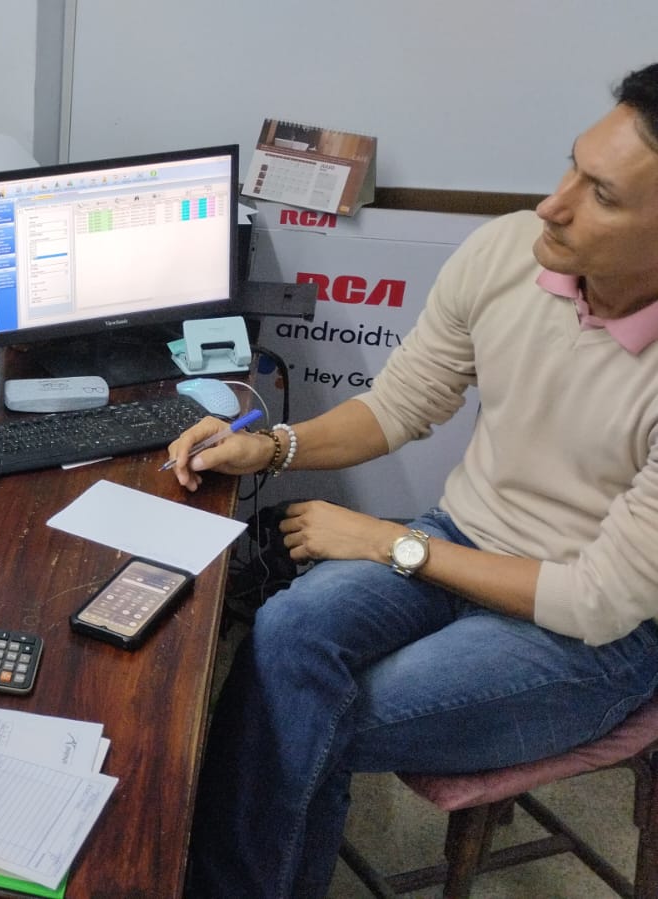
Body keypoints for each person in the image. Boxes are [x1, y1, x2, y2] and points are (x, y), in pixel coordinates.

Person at [172, 63, 658, 898]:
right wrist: (272, 447)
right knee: (283, 636)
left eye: (602, 196)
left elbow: (593, 602)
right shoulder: (509, 250)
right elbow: (402, 402)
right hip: (460, 538)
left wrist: (388, 543)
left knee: (302, 714)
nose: (553, 204)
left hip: (588, 638)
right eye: (570, 167)